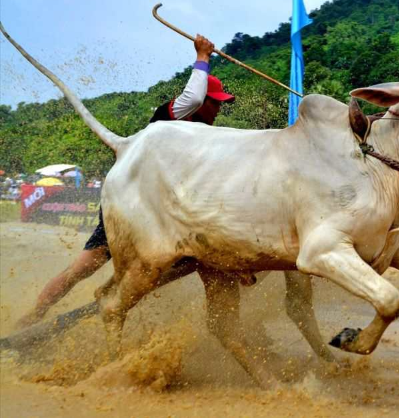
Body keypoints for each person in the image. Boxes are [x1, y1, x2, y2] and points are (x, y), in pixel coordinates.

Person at [16, 34, 235, 329]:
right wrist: (203, 56)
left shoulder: (205, 139)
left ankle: (113, 298)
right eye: (215, 102)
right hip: (131, 206)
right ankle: (33, 317)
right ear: (202, 103)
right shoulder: (171, 118)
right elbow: (193, 97)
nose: (219, 109)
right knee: (85, 266)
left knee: (192, 260)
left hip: (164, 219)